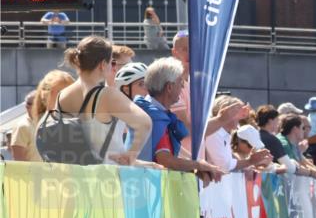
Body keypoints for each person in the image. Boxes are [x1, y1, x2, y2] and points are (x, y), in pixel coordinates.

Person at [42, 36, 152, 165]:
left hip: (71, 173)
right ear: (102, 64)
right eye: (111, 62)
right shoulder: (108, 95)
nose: (113, 67)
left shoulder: (62, 95)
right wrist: (131, 155)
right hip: (105, 174)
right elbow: (145, 123)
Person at [134, 57, 223, 184]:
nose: (182, 85)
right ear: (169, 87)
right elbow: (166, 160)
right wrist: (198, 165)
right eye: (180, 81)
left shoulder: (156, 112)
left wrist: (195, 168)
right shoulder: (155, 117)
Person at [203, 95, 272, 173]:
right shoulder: (214, 133)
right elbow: (225, 166)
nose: (243, 115)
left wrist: (252, 162)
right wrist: (250, 161)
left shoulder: (225, 134)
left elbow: (230, 161)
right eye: (238, 110)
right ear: (225, 111)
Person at [10, 91, 38, 162]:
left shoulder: (44, 123)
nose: (28, 106)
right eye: (28, 103)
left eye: (31, 103)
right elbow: (18, 158)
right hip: (30, 169)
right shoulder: (22, 126)